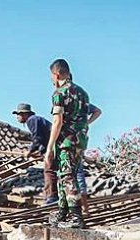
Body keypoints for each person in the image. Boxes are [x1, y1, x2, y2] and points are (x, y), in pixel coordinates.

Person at [44, 59, 91, 228]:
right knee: (65, 177)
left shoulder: (59, 93)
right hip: (81, 141)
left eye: (51, 76)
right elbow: (91, 114)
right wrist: (81, 128)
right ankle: (63, 212)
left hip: (66, 142)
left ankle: (76, 217)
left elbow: (57, 121)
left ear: (56, 74)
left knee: (68, 177)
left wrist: (49, 147)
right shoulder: (83, 93)